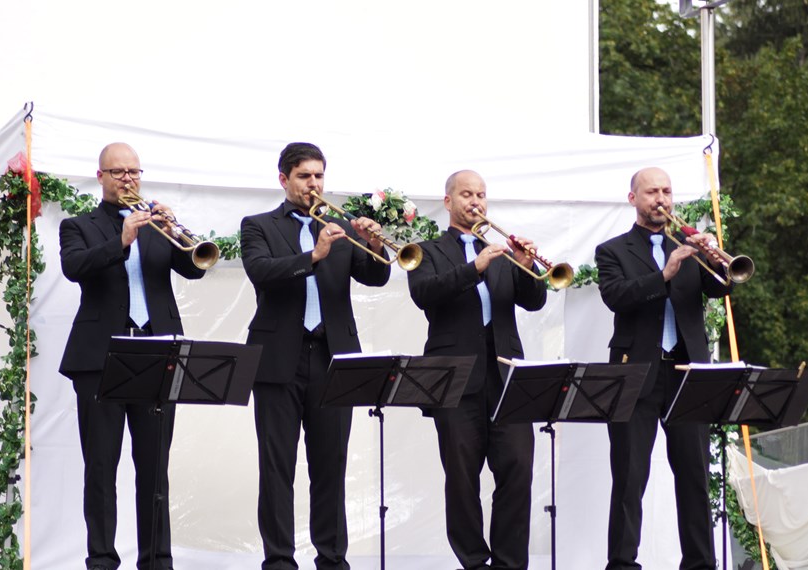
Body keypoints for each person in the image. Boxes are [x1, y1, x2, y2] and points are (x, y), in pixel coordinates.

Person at [240, 142, 391, 570]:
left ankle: (332, 559)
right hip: (276, 360)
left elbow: (376, 277)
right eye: (305, 176)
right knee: (276, 467)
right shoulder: (258, 225)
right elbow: (262, 273)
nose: (314, 184)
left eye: (319, 176)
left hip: (333, 357)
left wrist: (374, 244)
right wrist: (314, 254)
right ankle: (279, 562)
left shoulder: (340, 226)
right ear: (284, 179)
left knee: (331, 466)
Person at [59, 142, 207, 570]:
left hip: (158, 354)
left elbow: (196, 267)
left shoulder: (159, 225)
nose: (128, 179)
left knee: (154, 468)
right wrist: (122, 240)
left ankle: (157, 560)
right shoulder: (78, 225)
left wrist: (176, 228)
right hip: (98, 359)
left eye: (134, 172)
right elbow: (75, 267)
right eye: (118, 171)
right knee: (101, 467)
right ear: (101, 176)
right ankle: (102, 560)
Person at [594, 166, 734, 570]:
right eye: (652, 191)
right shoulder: (613, 250)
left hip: (688, 373)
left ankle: (699, 564)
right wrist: (664, 273)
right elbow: (617, 297)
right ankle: (622, 564)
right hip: (636, 373)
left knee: (694, 476)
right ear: (633, 199)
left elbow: (722, 287)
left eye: (667, 191)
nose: (662, 199)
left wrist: (715, 257)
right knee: (629, 477)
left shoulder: (689, 245)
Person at [407, 170, 547, 570]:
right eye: (467, 194)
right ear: (448, 201)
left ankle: (508, 563)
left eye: (482, 195)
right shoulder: (428, 249)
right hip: (454, 377)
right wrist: (475, 267)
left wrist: (522, 264)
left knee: (518, 470)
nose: (477, 202)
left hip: (505, 377)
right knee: (462, 478)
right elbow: (425, 294)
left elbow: (534, 301)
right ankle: (473, 562)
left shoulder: (501, 251)